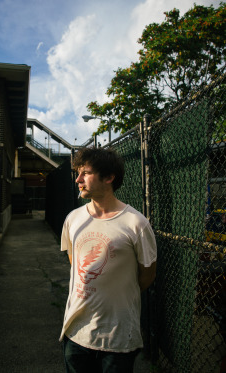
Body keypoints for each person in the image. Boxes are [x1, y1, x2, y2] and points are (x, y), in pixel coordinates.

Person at [60, 147, 157, 373]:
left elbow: (147, 276)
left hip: (118, 336)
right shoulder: (73, 219)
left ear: (109, 177)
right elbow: (75, 263)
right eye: (78, 172)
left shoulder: (136, 224)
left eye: (85, 173)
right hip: (76, 332)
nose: (78, 179)